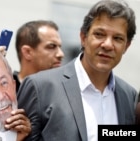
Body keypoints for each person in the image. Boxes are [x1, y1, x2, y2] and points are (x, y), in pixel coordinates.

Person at [17, 0, 138, 141]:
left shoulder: (129, 97)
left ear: (126, 46)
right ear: (83, 38)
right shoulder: (40, 87)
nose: (107, 45)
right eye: (99, 34)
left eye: (117, 38)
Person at [13, 20, 64, 92]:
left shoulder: (62, 92)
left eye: (59, 47)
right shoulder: (3, 92)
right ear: (27, 52)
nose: (61, 54)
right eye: (52, 46)